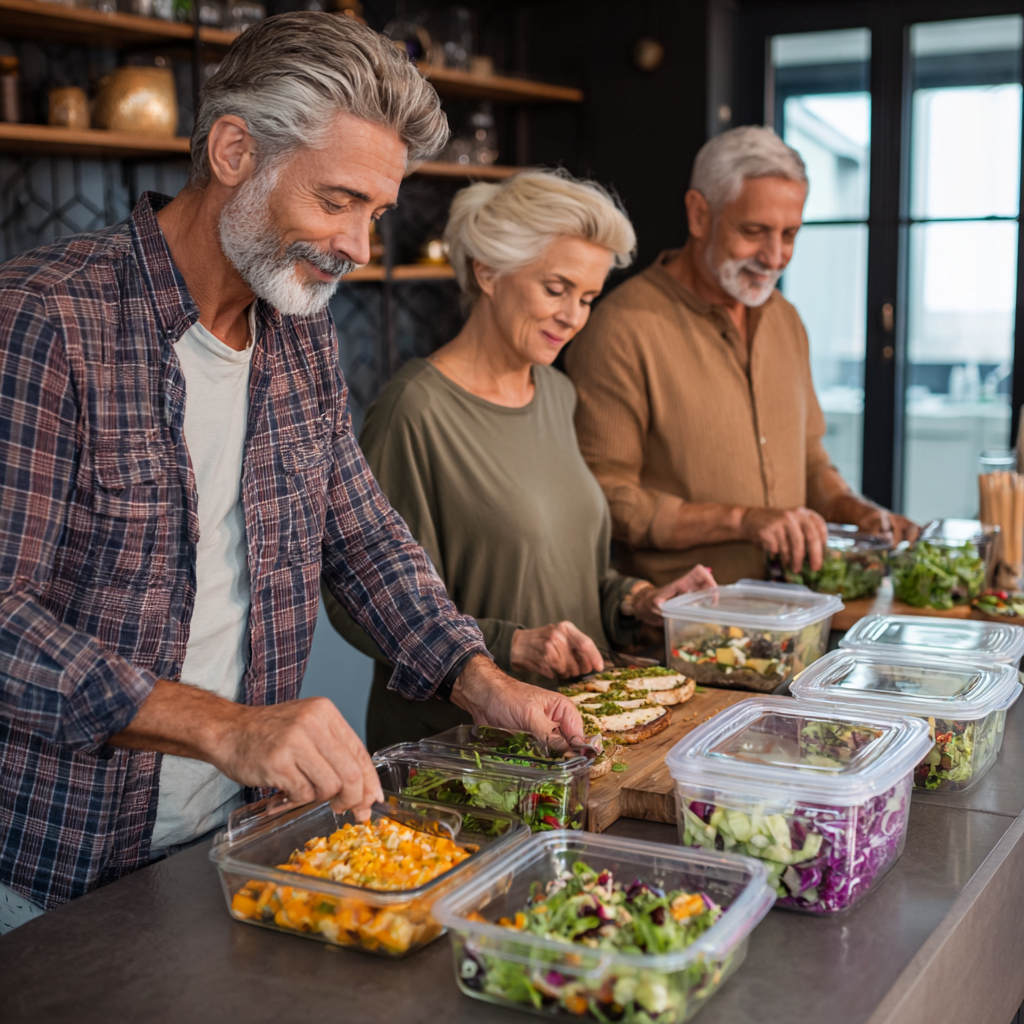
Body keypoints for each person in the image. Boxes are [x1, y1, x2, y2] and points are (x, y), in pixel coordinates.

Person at [0, 14, 583, 931]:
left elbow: (363, 536)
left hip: (241, 847)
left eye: (377, 215)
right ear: (235, 150)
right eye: (338, 200)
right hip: (54, 871)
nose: (359, 245)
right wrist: (228, 728)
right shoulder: (44, 322)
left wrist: (481, 679)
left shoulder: (298, 331)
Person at [323, 170, 716, 753]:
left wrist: (635, 600)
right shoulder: (415, 410)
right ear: (487, 271)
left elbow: (564, 573)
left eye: (586, 298)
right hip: (462, 753)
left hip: (570, 738)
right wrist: (511, 646)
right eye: (556, 289)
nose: (573, 316)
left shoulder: (557, 393)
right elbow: (361, 601)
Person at [565, 126, 918, 587]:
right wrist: (743, 520)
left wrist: (857, 510)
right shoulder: (621, 327)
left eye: (790, 233)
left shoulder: (785, 319)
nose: (774, 257)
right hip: (679, 625)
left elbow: (809, 460)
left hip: (795, 612)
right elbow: (606, 498)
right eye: (754, 231)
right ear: (698, 214)